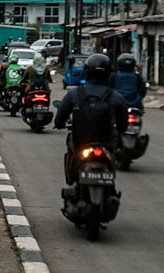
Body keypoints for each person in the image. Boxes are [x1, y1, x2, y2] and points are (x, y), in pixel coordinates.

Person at [54, 53, 128, 184]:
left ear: (86, 72)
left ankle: (71, 178)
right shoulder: (116, 96)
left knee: (70, 146)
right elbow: (123, 125)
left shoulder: (74, 93)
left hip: (80, 143)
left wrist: (60, 124)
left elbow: (59, 119)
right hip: (107, 144)